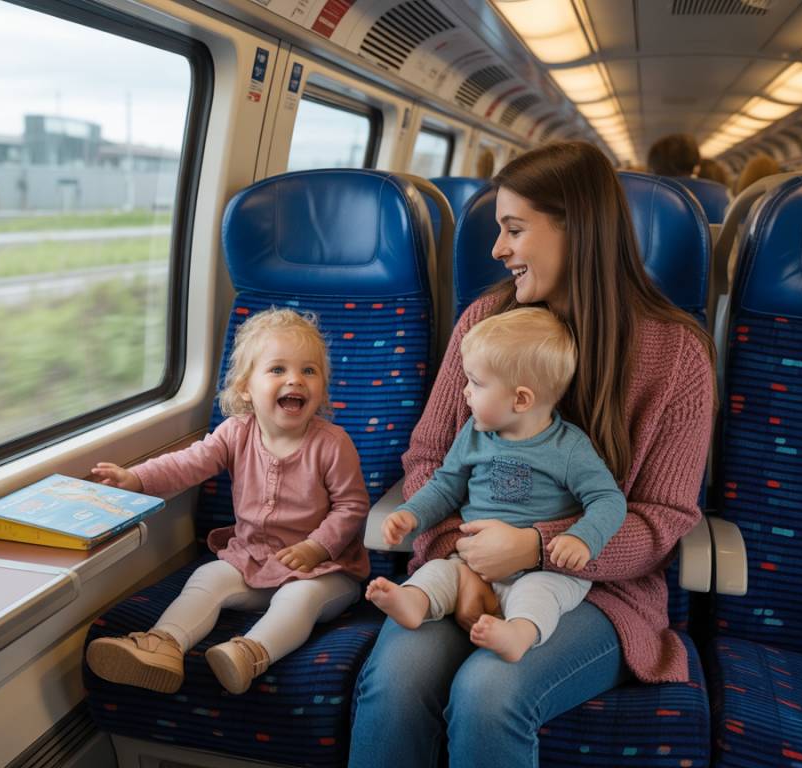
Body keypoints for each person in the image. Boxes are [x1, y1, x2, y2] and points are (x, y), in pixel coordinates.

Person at [348, 141, 715, 768]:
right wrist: (459, 566)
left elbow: (660, 521)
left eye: (515, 229)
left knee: (489, 692)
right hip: (464, 564)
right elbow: (432, 458)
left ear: (580, 230)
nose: (497, 250)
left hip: (596, 590)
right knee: (396, 683)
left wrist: (537, 547)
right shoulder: (485, 321)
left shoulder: (679, 357)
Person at [86, 308, 370, 695]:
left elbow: (351, 507)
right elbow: (187, 464)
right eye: (277, 370)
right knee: (207, 577)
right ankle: (164, 646)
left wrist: (315, 548)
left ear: (322, 387)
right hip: (252, 559)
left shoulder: (332, 443)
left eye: (309, 371)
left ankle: (249, 654)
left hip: (326, 570)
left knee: (297, 596)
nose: (295, 380)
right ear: (244, 388)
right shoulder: (235, 433)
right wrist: (136, 478)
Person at [366, 308, 626, 663]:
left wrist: (583, 538)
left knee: (540, 594)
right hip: (474, 563)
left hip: (544, 569)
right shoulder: (473, 434)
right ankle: (414, 602)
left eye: (476, 383)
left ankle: (518, 632)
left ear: (520, 399)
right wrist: (411, 514)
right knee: (441, 572)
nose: (464, 392)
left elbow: (609, 500)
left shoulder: (569, 449)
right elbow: (444, 486)